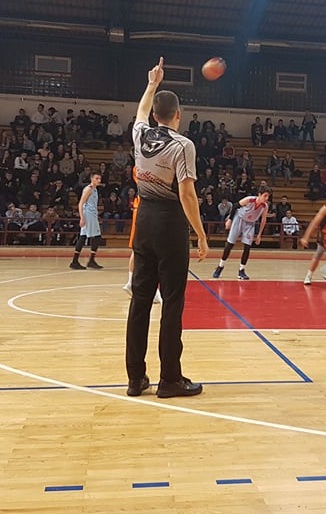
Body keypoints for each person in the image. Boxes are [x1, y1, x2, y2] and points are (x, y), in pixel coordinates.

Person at [126, 57, 208, 399]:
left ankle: (135, 379)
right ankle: (170, 380)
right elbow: (187, 194)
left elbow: (140, 112)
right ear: (178, 115)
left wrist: (151, 84)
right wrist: (201, 234)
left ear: (156, 115)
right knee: (172, 303)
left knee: (140, 301)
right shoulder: (182, 145)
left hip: (144, 220)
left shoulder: (140, 134)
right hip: (170, 224)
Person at [211, 185, 271, 280]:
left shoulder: (265, 206)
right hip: (239, 219)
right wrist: (230, 220)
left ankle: (241, 270)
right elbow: (235, 206)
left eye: (268, 196)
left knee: (247, 246)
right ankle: (220, 266)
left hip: (250, 224)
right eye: (265, 196)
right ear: (259, 195)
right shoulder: (249, 200)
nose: (267, 198)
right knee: (230, 244)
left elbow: (264, 220)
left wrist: (259, 234)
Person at [70, 172, 104, 270]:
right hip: (88, 215)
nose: (99, 180)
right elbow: (80, 203)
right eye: (97, 178)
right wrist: (82, 218)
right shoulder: (88, 189)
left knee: (83, 237)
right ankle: (90, 261)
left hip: (92, 214)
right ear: (91, 179)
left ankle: (75, 261)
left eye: (100, 178)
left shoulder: (95, 189)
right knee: (97, 237)